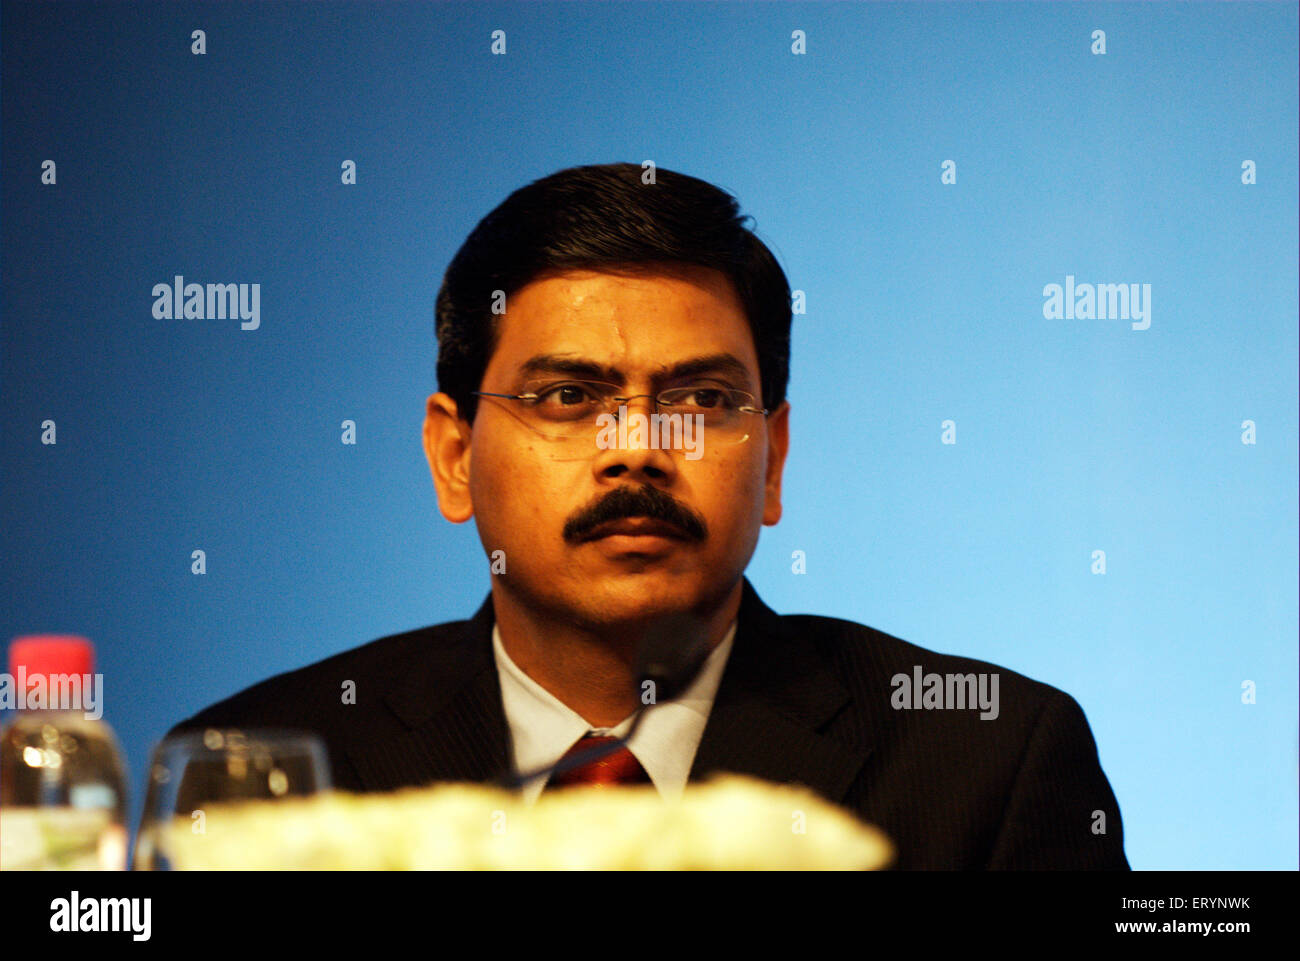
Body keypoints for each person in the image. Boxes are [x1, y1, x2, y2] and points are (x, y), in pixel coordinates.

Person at [167, 162, 1129, 869]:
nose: (638, 447)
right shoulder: (270, 767)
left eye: (702, 402)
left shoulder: (984, 764)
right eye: (568, 398)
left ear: (775, 458)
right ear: (453, 456)